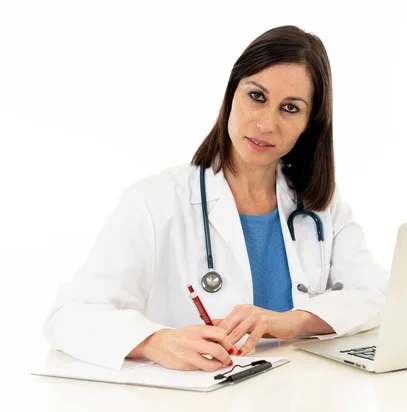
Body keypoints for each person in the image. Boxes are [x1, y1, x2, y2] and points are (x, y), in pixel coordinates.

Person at [43, 25, 388, 372]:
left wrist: (295, 320)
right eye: (257, 96)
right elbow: (69, 315)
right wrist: (154, 342)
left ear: (309, 123)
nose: (267, 123)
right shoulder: (155, 202)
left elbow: (378, 295)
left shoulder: (321, 205)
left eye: (290, 108)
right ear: (231, 94)